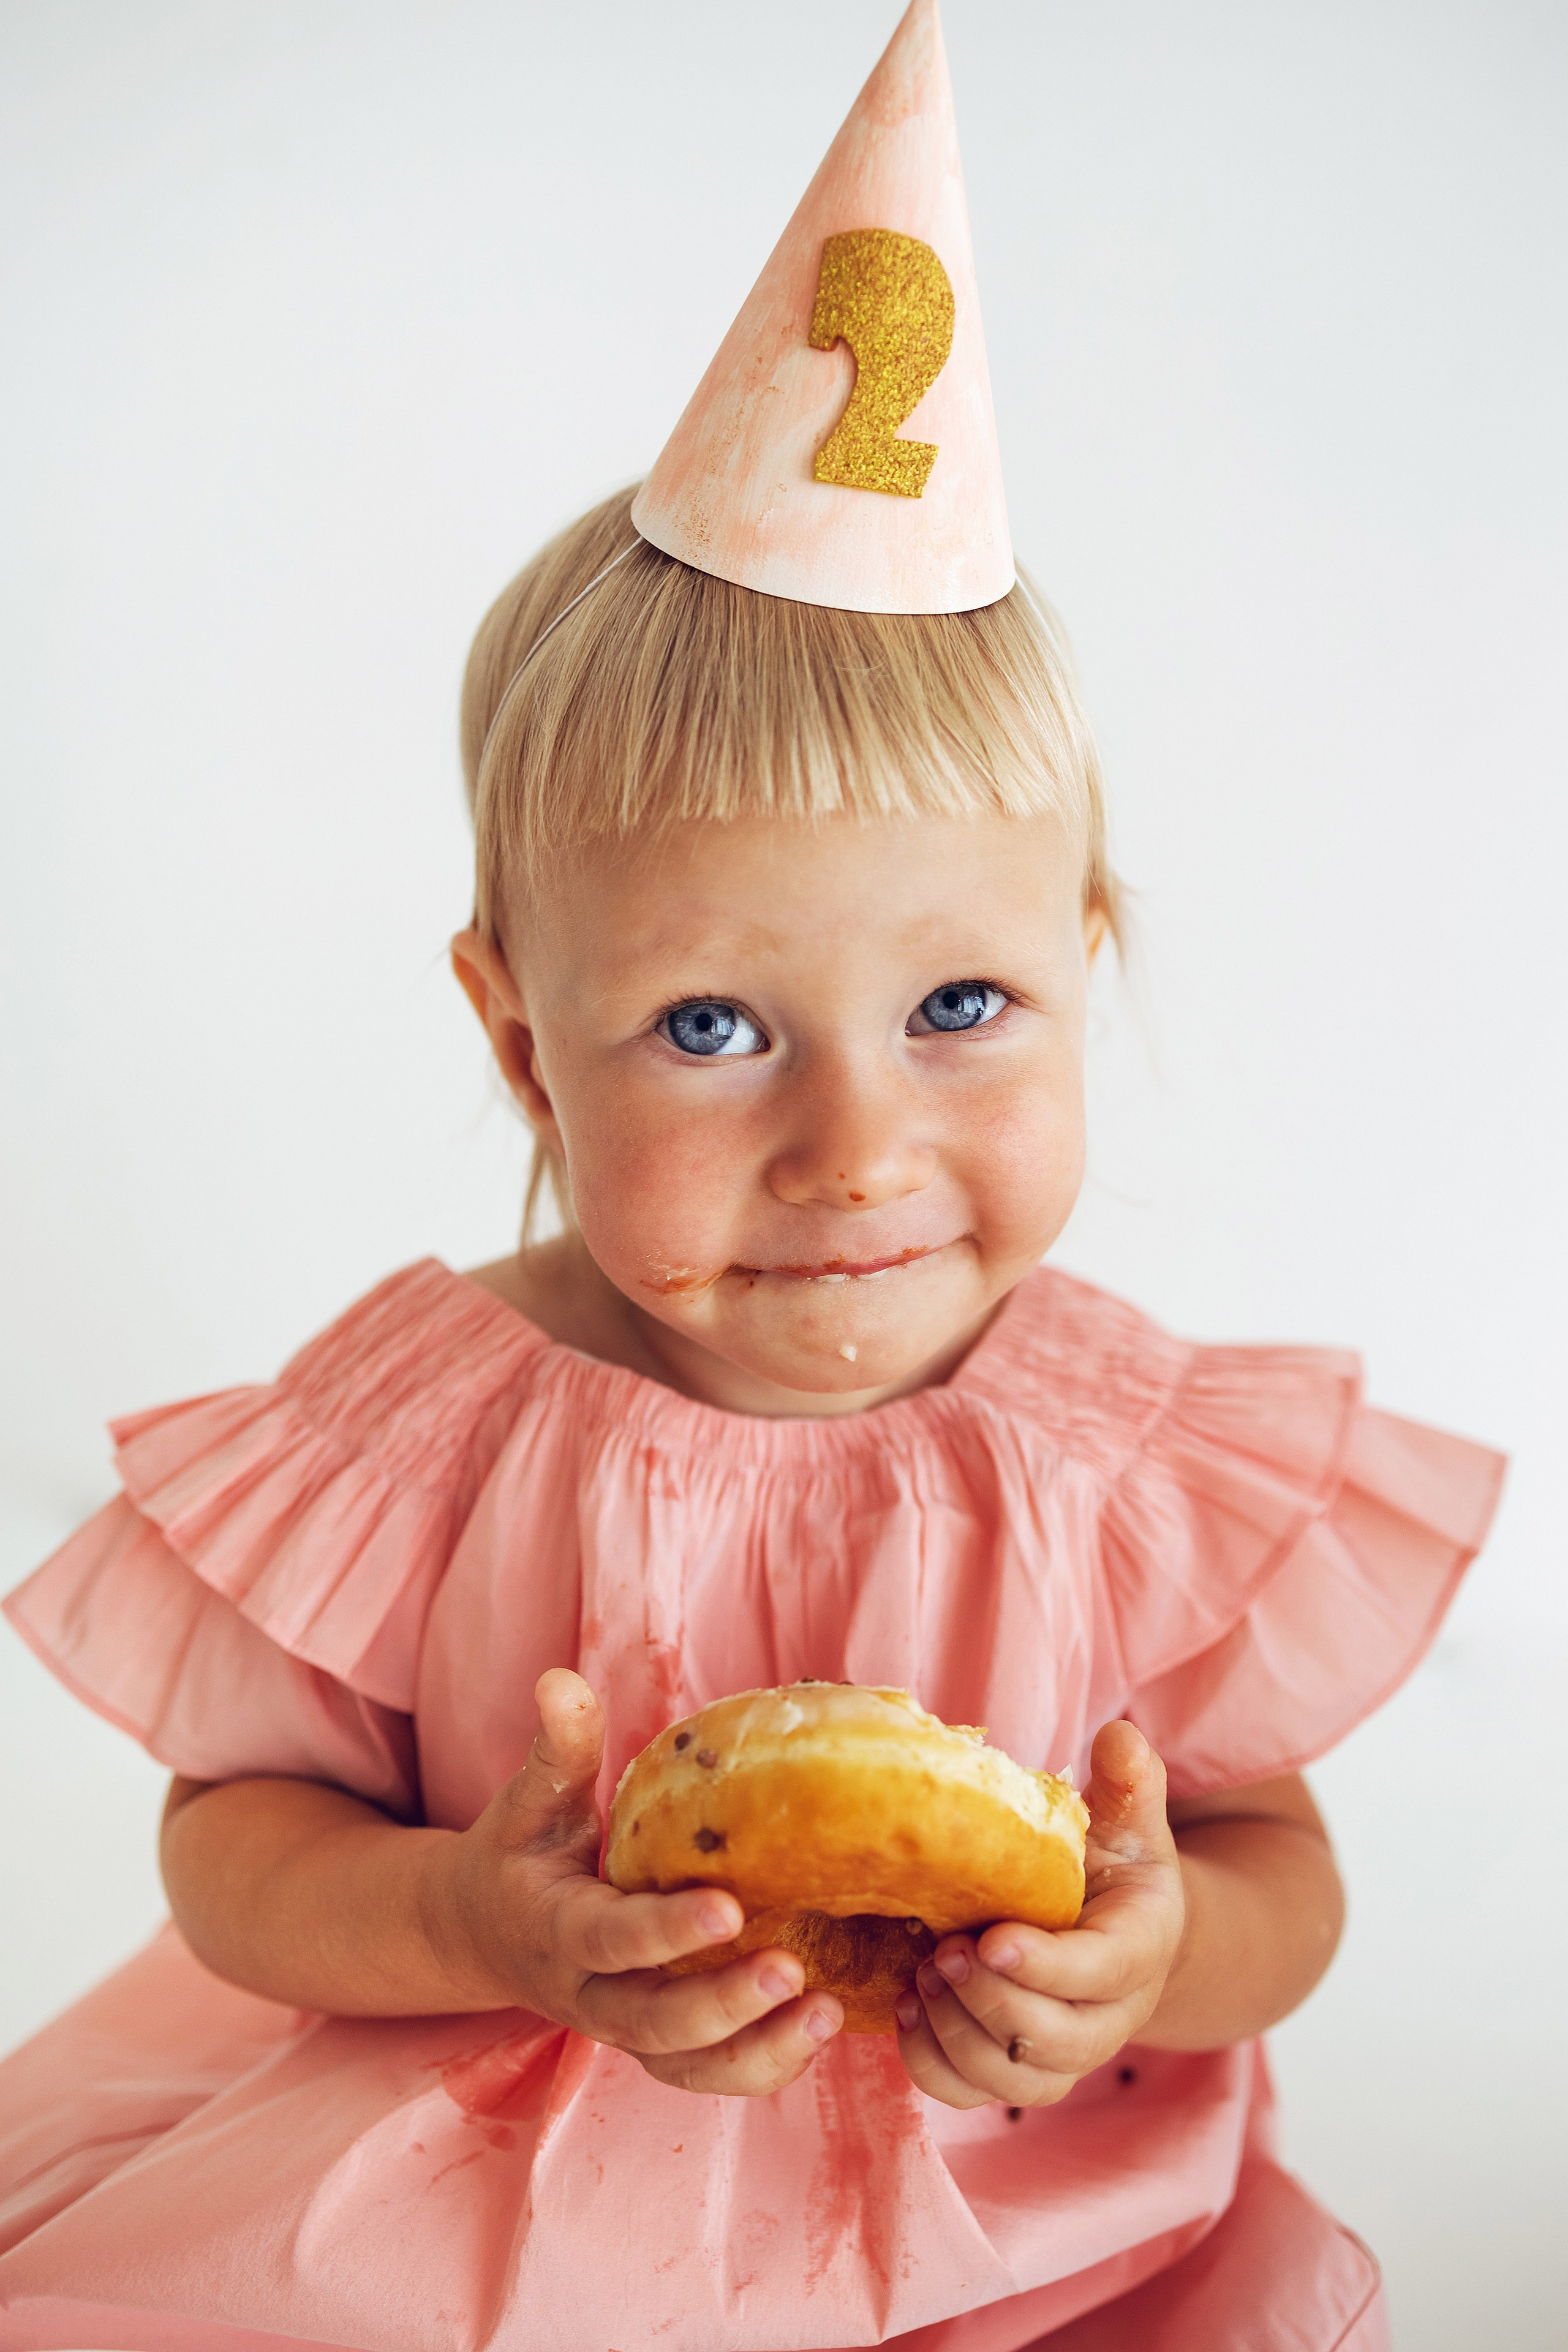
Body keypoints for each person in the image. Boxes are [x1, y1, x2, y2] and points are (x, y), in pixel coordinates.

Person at [0, 6, 1502, 2350]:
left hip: (1017, 2229)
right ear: (520, 1036)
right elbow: (239, 1856)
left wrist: (1150, 1964)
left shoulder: (1128, 1466)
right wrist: (476, 1927)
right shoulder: (426, 1437)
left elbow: (1276, 1874)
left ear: (1081, 966)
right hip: (474, 2215)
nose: (856, 1150)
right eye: (711, 1030)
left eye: (963, 1012)